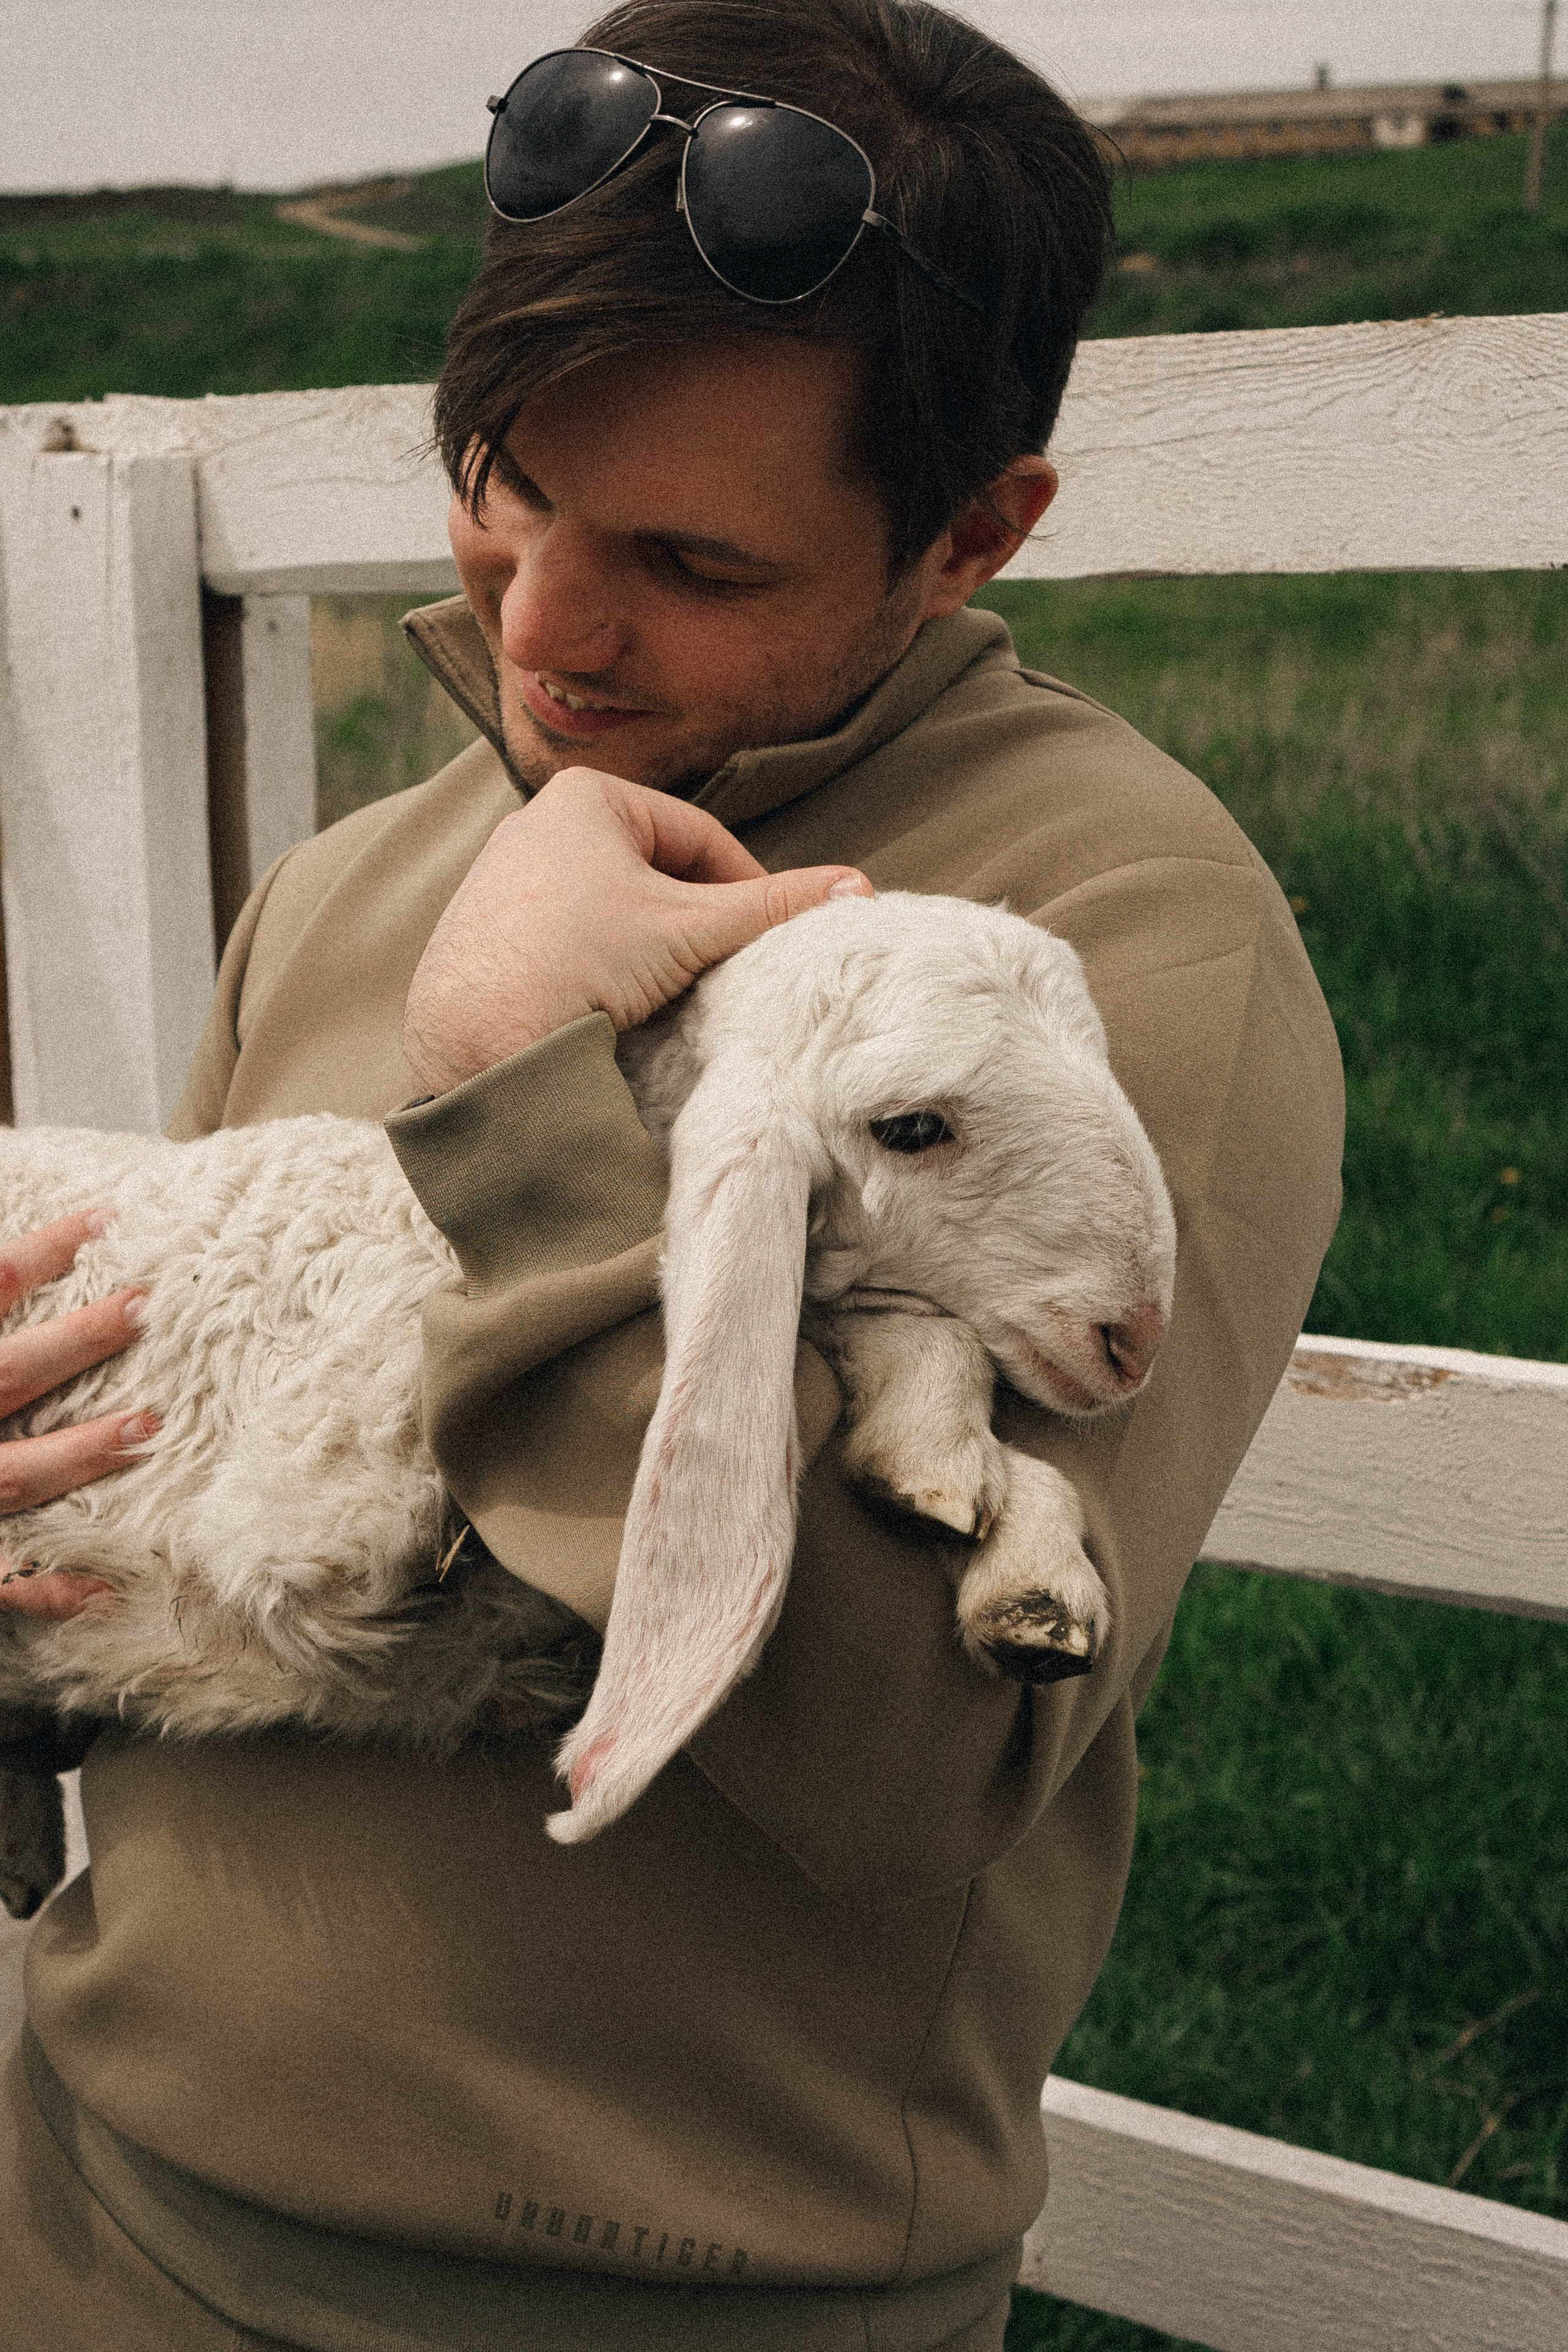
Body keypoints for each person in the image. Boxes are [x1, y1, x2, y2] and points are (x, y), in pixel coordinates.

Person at [0, 2, 1343, 2345]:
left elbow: (922, 1753)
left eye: (687, 560)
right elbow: (215, 1516)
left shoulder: (1115, 940)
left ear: (974, 531)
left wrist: (525, 1091)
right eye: (502, 484)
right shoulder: (360, 881)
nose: (538, 628)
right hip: (82, 2206)